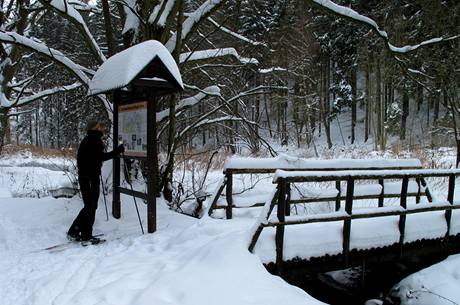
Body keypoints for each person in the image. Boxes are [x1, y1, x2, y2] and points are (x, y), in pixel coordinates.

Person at [67, 119, 124, 243]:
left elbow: (90, 159)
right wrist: (118, 151)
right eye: (100, 127)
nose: (102, 128)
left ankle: (80, 232)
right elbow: (102, 157)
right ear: (95, 129)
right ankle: (79, 233)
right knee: (91, 206)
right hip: (91, 178)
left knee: (90, 206)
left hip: (85, 177)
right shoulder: (95, 141)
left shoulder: (88, 140)